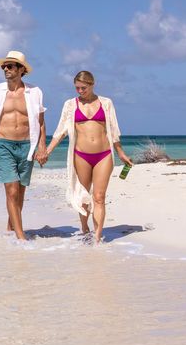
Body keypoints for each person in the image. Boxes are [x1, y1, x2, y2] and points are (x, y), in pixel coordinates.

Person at [44, 70, 134, 244]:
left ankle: (98, 237)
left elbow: (114, 131)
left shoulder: (106, 103)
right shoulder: (70, 105)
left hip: (104, 155)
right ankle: (85, 229)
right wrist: (47, 151)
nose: (80, 91)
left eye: (83, 88)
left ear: (92, 84)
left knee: (99, 196)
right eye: (77, 88)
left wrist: (121, 153)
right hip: (81, 155)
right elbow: (60, 132)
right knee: (83, 196)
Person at [0, 50, 48, 240]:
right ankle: (21, 237)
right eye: (4, 66)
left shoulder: (35, 92)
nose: (6, 69)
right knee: (11, 189)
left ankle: (11, 228)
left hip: (27, 145)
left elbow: (40, 122)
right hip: (3, 145)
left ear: (21, 69)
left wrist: (42, 147)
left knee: (20, 192)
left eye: (10, 66)